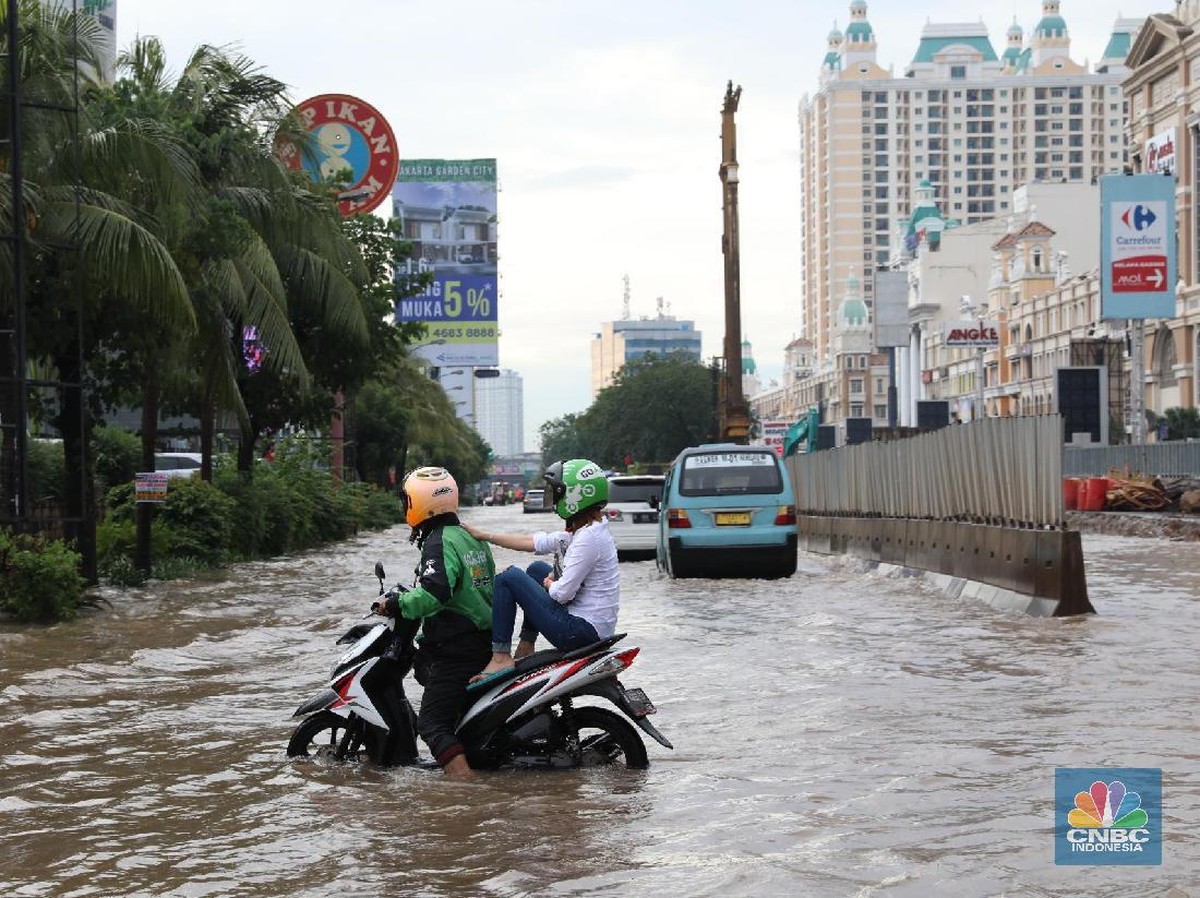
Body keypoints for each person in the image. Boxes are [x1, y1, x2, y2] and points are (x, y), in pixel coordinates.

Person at [377, 466, 494, 777]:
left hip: (456, 648)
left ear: (418, 504)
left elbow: (435, 591)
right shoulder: (469, 536)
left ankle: (468, 791)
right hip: (481, 640)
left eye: (407, 501)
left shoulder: (439, 541)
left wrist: (396, 602)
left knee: (431, 725)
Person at [466, 458, 619, 682]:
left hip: (580, 631)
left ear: (575, 495)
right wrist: (486, 536)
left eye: (558, 493)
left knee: (508, 578)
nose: (555, 499)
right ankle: (527, 643)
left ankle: (500, 657)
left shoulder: (588, 538)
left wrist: (551, 583)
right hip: (593, 627)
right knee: (537, 569)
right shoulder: (588, 531)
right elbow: (534, 542)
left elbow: (562, 593)